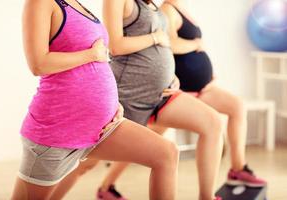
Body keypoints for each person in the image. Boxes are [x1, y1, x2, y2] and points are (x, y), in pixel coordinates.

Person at [50, 0, 223, 200]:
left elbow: (163, 47)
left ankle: (206, 197)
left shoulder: (150, 4)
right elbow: (115, 45)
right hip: (129, 95)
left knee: (212, 123)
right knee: (86, 163)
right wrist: (155, 37)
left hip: (161, 95)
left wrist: (171, 75)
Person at [11, 0, 179, 199]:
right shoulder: (40, 3)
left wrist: (112, 102)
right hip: (57, 130)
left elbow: (98, 65)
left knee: (166, 153)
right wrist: (91, 54)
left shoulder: (76, 4)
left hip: (103, 126)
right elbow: (38, 64)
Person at [160, 0, 267, 188]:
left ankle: (238, 169)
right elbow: (169, 44)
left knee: (237, 106)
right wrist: (195, 43)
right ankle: (107, 185)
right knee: (151, 135)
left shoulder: (181, 9)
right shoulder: (168, 9)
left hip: (202, 88)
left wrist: (207, 74)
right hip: (185, 90)